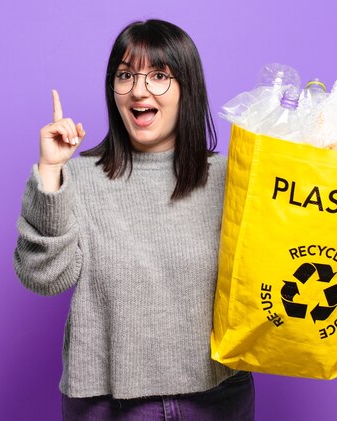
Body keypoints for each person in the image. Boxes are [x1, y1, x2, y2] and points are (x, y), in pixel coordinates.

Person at [13, 19, 255, 420]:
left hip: (218, 398)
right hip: (109, 404)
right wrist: (52, 173)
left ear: (187, 89)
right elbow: (44, 277)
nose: (139, 90)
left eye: (159, 75)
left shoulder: (230, 178)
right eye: (126, 75)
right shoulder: (79, 177)